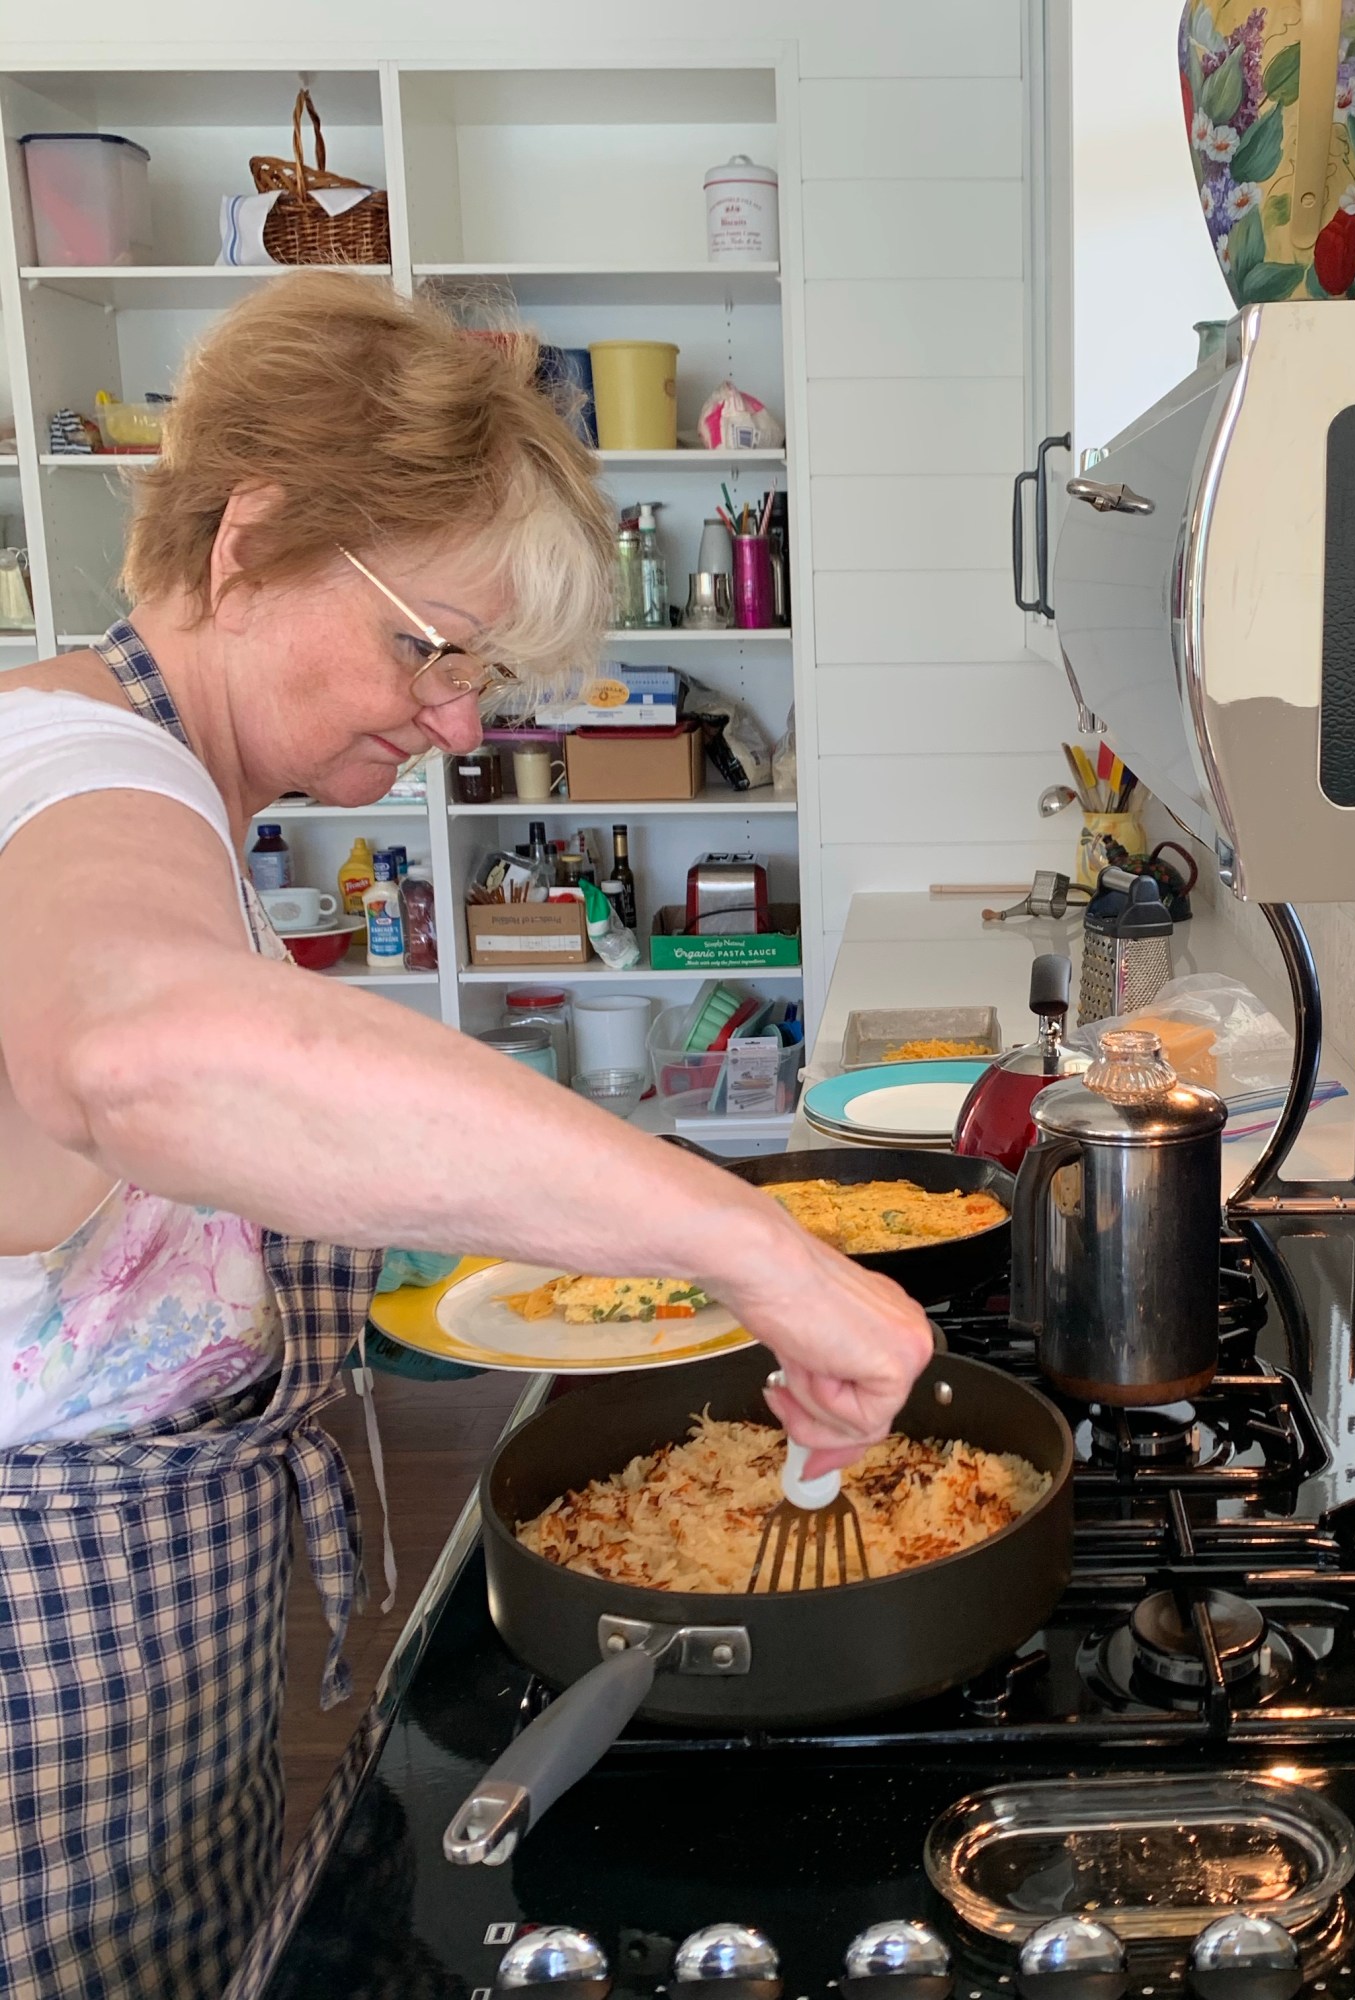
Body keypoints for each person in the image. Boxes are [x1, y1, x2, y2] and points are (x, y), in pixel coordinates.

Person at [0, 272, 933, 1998]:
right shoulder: (74, 776)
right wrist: (752, 1245)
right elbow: (144, 1055)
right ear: (248, 540)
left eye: (481, 673)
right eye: (429, 648)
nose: (457, 723)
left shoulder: (162, 786)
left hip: (161, 1690)